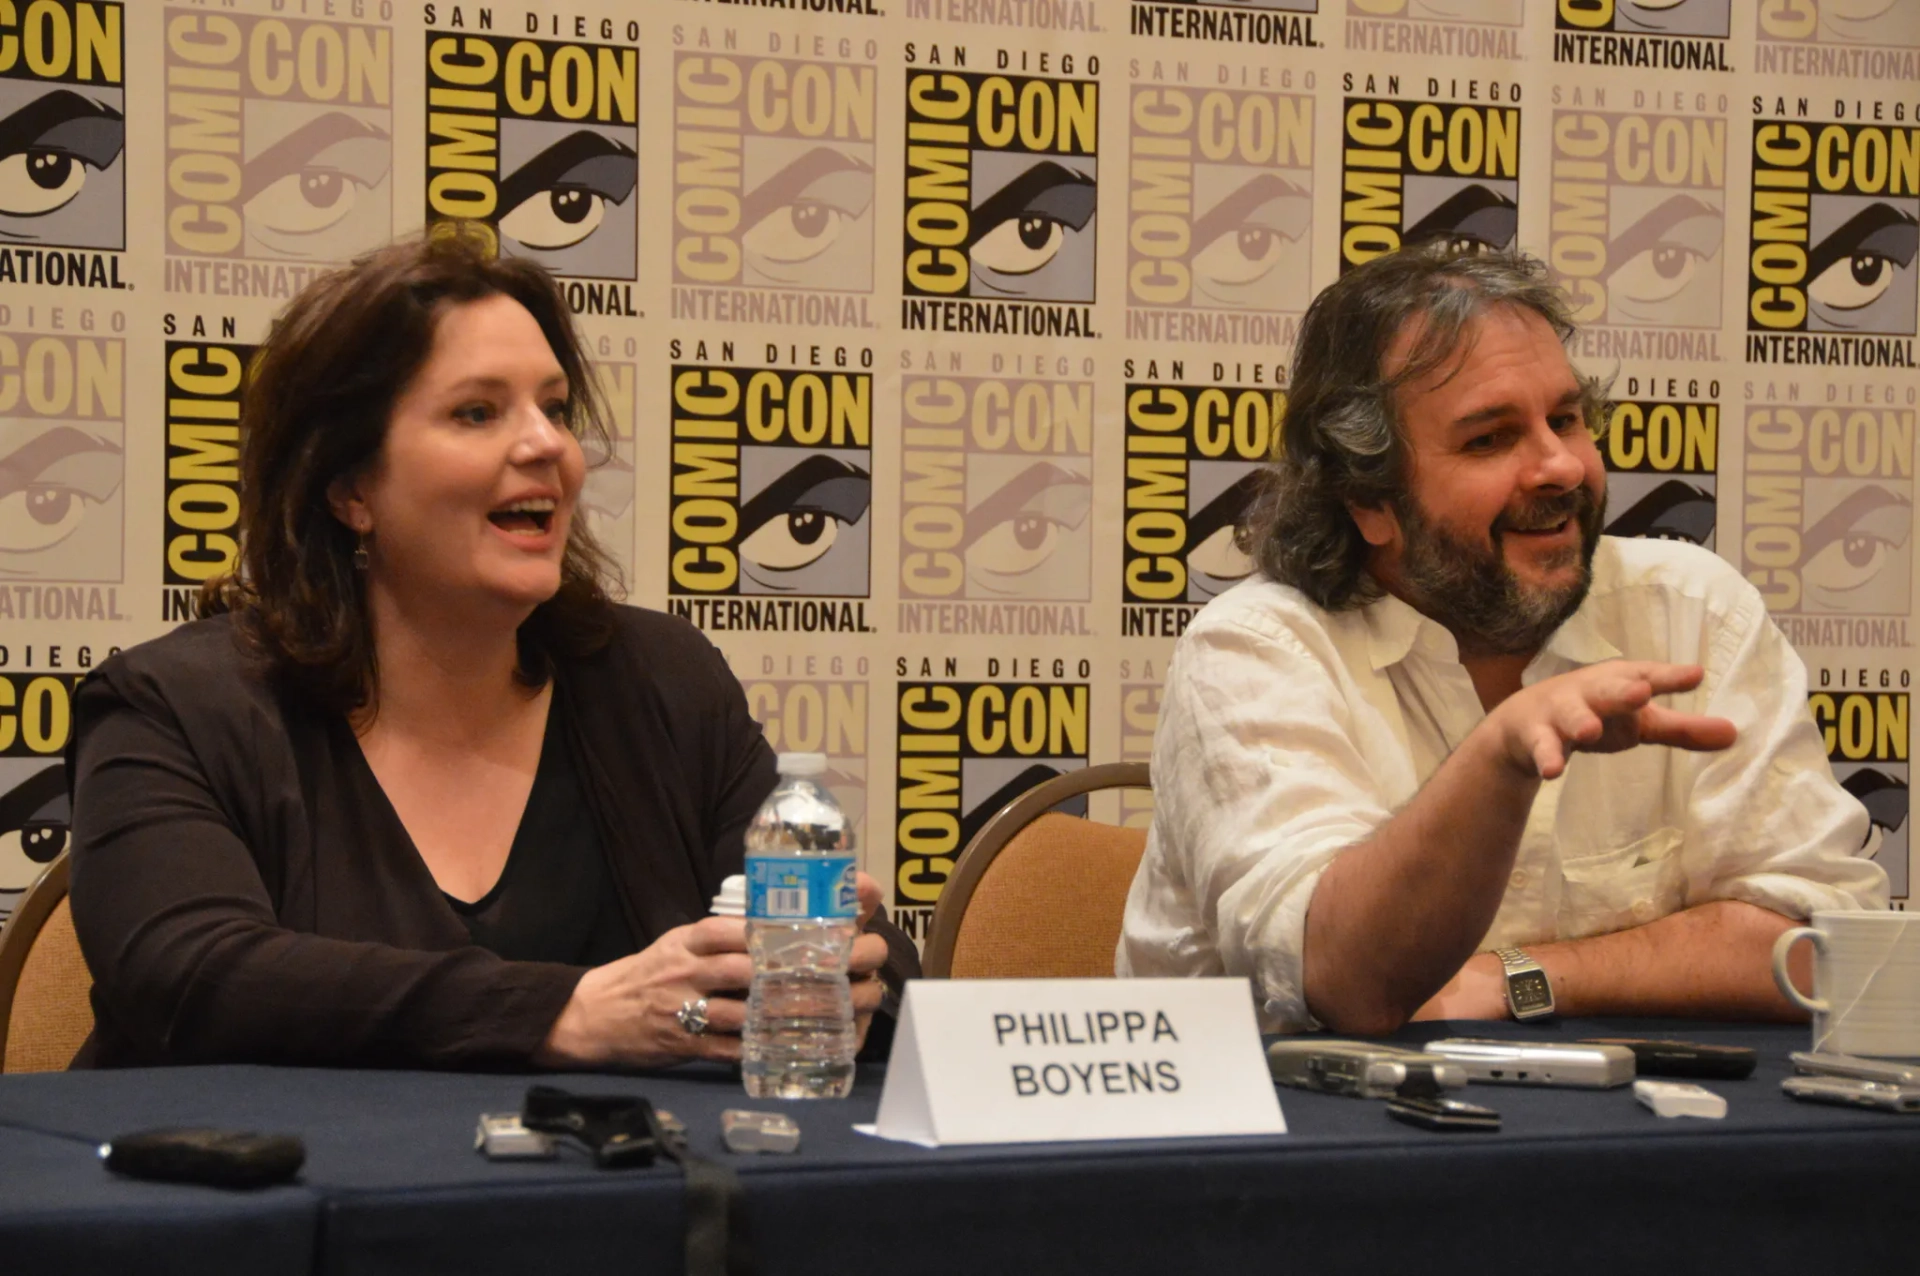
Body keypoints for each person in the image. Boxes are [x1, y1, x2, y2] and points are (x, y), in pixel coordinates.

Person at [67, 231, 916, 1069]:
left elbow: (888, 986)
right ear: (350, 488)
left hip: (618, 1197)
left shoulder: (660, 680)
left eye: (553, 408)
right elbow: (188, 976)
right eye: (478, 412)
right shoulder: (174, 706)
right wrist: (571, 1015)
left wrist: (834, 960)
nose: (546, 444)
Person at [1118, 245, 1888, 1034]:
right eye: (1489, 440)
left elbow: (1822, 948)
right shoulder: (1255, 651)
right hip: (1297, 1143)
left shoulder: (1692, 610)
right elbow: (1341, 979)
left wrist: (1524, 978)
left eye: (1564, 419)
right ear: (1368, 500)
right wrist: (1501, 754)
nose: (1559, 467)